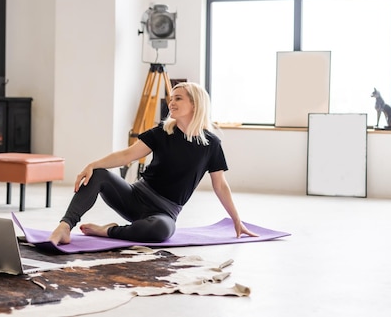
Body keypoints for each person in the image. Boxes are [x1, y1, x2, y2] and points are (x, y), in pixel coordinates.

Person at [49, 81, 257, 245]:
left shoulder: (211, 144)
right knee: (100, 174)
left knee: (162, 231)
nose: (171, 102)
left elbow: (220, 185)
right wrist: (92, 165)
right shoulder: (161, 133)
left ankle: (108, 231)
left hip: (164, 213)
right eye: (170, 98)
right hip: (134, 197)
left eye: (178, 98)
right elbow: (126, 156)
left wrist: (236, 220)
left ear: (195, 104)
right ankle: (65, 226)